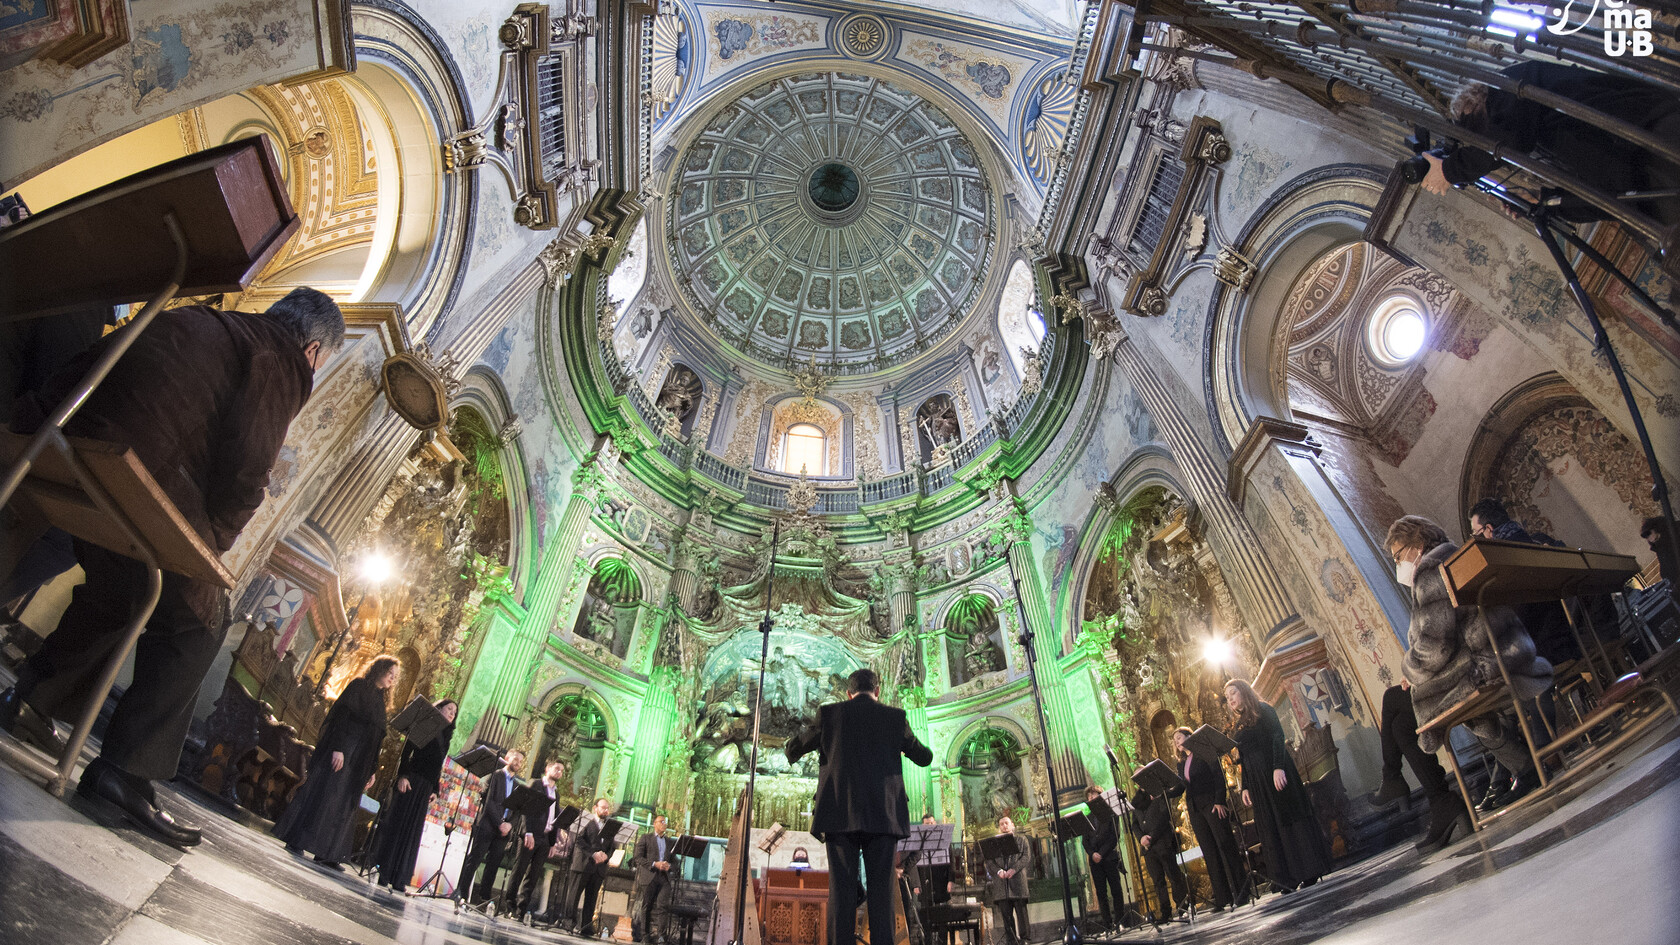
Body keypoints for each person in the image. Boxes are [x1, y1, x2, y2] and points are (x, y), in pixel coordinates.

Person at [0, 288, 344, 847]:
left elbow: (87, 364)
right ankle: (124, 774)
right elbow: (248, 470)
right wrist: (215, 549)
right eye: (322, 363)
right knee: (204, 620)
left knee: (119, 592)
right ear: (312, 349)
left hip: (70, 451)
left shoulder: (204, 319)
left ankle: (33, 699)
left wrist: (33, 433)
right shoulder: (281, 359)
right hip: (142, 479)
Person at [1388, 515, 1552, 833]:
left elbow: (1435, 647)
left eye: (1398, 556)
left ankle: (1518, 768)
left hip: (1484, 664)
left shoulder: (1428, 571)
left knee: (1403, 707)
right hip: (1507, 649)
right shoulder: (1454, 555)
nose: (1398, 565)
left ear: (1417, 545)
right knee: (1400, 709)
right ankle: (1520, 766)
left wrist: (1410, 669)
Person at [1421, 61, 1680, 225]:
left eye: (1481, 138)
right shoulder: (1541, 135)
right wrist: (1545, 201)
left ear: (1474, 105)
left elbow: (1510, 134)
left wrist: (1449, 170)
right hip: (1646, 188)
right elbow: (1604, 201)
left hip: (1652, 138)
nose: (1490, 148)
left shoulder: (1511, 87)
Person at [786, 667, 934, 945]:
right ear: (878, 691)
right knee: (881, 896)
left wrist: (794, 745)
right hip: (884, 816)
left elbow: (795, 747)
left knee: (841, 893)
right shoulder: (895, 717)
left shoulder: (830, 714)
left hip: (840, 815)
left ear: (848, 693)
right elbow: (924, 757)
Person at [274, 655, 398, 869]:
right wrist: (338, 748)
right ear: (379, 669)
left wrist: (372, 769)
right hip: (346, 747)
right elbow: (341, 718)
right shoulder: (359, 686)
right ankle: (299, 840)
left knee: (342, 804)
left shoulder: (380, 700)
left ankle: (327, 852)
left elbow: (376, 739)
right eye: (390, 674)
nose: (392, 680)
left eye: (395, 677)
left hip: (361, 758)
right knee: (326, 795)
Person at [1225, 679, 1332, 891]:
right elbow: (1243, 759)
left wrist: (1278, 767)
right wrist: (1245, 786)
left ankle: (1307, 871)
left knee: (1287, 818)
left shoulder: (1263, 709)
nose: (1230, 700)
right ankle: (1286, 877)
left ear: (1244, 691)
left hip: (1275, 772)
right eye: (1227, 698)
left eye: (1233, 694)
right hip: (1257, 781)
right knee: (1270, 825)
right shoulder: (1239, 724)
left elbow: (1277, 736)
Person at [368, 698, 458, 891]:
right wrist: (403, 776)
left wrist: (435, 790)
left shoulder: (446, 737)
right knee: (398, 825)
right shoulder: (424, 725)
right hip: (412, 780)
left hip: (425, 788)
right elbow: (407, 752)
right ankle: (384, 871)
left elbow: (437, 766)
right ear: (439, 708)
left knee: (412, 832)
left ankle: (399, 876)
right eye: (449, 709)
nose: (452, 714)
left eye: (454, 713)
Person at [1367, 684, 1467, 853]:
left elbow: (1437, 656)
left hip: (1461, 678)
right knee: (1400, 726)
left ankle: (1393, 778)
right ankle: (1441, 801)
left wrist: (1412, 674)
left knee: (1391, 697)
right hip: (1449, 679)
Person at [1171, 728, 1249, 910]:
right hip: (1196, 809)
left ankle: (1241, 891)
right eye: (1174, 740)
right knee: (1210, 852)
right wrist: (1164, 789)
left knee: (1225, 845)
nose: (1177, 742)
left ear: (1190, 737)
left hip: (1212, 804)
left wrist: (1220, 801)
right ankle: (1223, 897)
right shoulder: (1182, 764)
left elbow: (1217, 776)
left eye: (1179, 737)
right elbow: (1182, 787)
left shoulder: (1204, 753)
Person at [457, 750, 525, 906]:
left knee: (493, 865)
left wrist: (509, 824)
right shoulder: (494, 776)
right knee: (474, 859)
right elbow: (488, 801)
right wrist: (499, 823)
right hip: (488, 825)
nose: (518, 763)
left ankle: (484, 897)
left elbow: (518, 810)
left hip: (504, 831)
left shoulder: (516, 785)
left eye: (521, 762)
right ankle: (461, 892)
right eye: (516, 759)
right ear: (507, 758)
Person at [503, 759, 566, 923]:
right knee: (519, 870)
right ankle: (509, 906)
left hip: (545, 839)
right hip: (530, 835)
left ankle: (521, 910)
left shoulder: (556, 793)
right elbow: (525, 809)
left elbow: (553, 820)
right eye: (557, 768)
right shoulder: (536, 784)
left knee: (534, 875)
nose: (559, 772)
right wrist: (528, 833)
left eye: (562, 771)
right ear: (547, 768)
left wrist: (552, 843)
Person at [1130, 788, 1187, 921]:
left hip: (1162, 841)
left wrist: (1152, 836)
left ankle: (1182, 907)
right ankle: (1165, 912)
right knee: (1158, 881)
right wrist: (1141, 838)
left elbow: (1164, 816)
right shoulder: (1135, 802)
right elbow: (1134, 824)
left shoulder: (1159, 795)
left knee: (1173, 875)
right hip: (1147, 847)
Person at [569, 796, 620, 937]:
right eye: (603, 807)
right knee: (574, 895)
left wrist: (606, 856)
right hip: (584, 864)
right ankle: (569, 922)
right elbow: (578, 840)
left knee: (591, 898)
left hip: (599, 868)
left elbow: (611, 846)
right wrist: (593, 854)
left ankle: (585, 926)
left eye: (607, 808)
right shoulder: (585, 821)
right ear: (595, 808)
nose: (606, 810)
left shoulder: (610, 826)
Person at [1082, 785, 1130, 929]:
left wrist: (1101, 853)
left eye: (1094, 795)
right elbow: (1085, 841)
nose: (1091, 798)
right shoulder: (1087, 817)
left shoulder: (1111, 814)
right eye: (1089, 796)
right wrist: (1092, 854)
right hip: (1095, 861)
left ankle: (1120, 920)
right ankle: (1107, 924)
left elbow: (1114, 836)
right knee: (1101, 893)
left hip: (1109, 857)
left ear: (1101, 796)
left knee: (1116, 890)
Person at [983, 815, 1031, 945]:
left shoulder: (1021, 840)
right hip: (1001, 883)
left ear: (1012, 825)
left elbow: (1026, 857)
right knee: (1006, 915)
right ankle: (1011, 940)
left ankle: (1025, 939)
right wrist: (999, 871)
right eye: (1001, 824)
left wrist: (1013, 869)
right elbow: (989, 861)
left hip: (1017, 881)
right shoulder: (994, 843)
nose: (1004, 826)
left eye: (1006, 823)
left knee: (1021, 913)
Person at [632, 813, 675, 944]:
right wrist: (654, 864)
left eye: (665, 822)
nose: (664, 824)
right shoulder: (646, 838)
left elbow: (675, 861)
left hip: (664, 878)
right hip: (650, 876)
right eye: (661, 821)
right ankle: (645, 935)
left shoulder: (669, 841)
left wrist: (670, 866)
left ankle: (661, 935)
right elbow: (638, 857)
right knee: (647, 906)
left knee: (663, 906)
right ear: (654, 824)